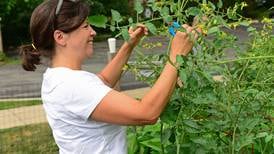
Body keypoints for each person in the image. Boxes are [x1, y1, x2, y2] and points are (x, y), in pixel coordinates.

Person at [20, 0, 200, 153]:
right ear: (60, 37)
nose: (93, 32)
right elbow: (146, 113)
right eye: (85, 26)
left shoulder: (58, 77)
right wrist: (177, 54)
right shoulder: (73, 86)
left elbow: (102, 82)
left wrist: (129, 45)